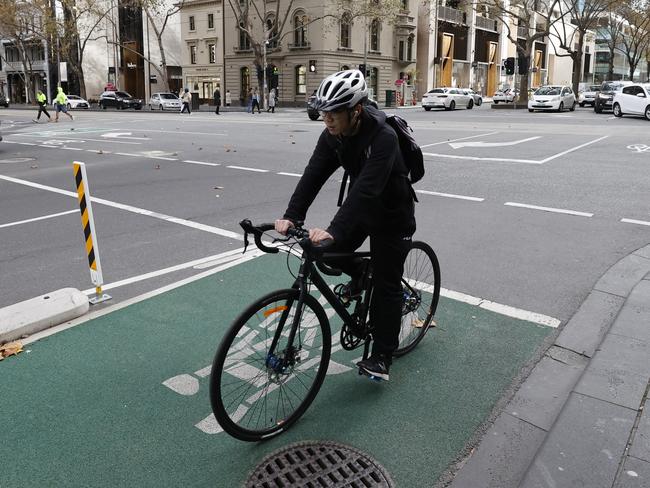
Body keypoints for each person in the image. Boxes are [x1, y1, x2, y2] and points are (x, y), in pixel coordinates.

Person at [274, 69, 416, 382]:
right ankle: (362, 274)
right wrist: (292, 215)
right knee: (321, 251)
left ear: (356, 112)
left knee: (387, 284)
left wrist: (335, 229)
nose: (327, 121)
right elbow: (313, 174)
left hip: (393, 214)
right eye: (324, 114)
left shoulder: (384, 138)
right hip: (362, 208)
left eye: (334, 115)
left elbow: (367, 188)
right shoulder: (332, 136)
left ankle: (382, 355)